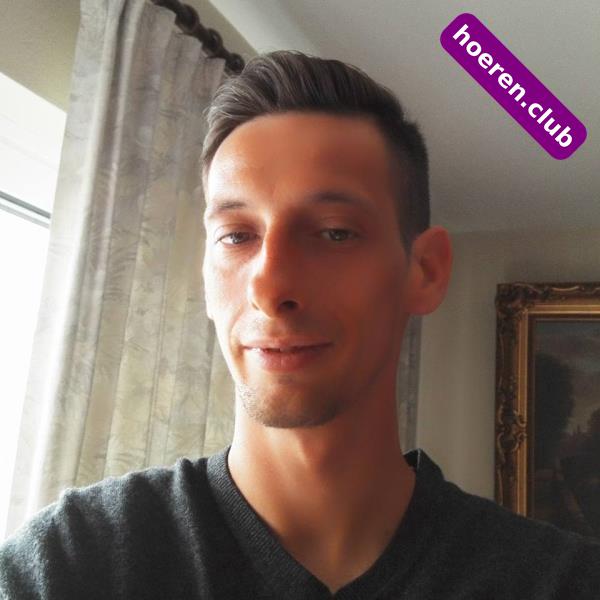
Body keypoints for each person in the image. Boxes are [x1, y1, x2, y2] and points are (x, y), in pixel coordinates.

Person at [1, 50, 599, 600]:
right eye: (236, 236)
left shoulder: (561, 582)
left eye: (334, 233)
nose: (268, 286)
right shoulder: (72, 562)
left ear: (425, 271)